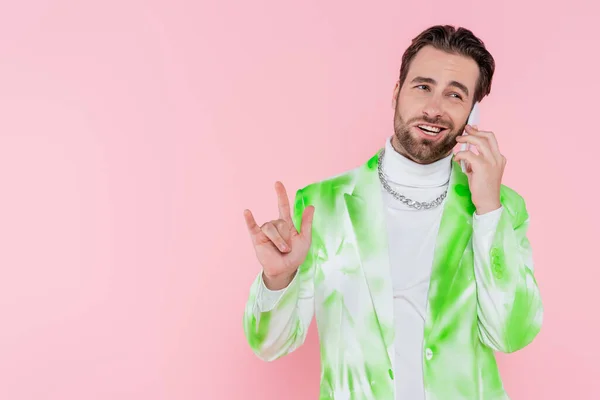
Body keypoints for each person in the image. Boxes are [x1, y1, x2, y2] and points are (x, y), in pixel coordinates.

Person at [241, 24, 543, 400]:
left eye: (455, 95)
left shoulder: (502, 208)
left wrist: (488, 212)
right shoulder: (322, 206)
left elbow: (512, 336)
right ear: (397, 92)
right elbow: (269, 346)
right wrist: (278, 279)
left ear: (472, 113)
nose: (434, 108)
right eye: (422, 87)